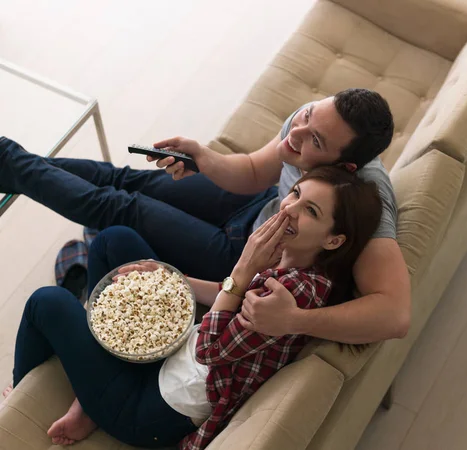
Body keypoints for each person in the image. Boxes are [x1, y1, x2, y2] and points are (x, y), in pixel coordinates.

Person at [6, 167, 382, 449]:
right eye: (295, 193)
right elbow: (228, 291)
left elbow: (209, 349)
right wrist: (175, 277)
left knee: (47, 302)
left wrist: (243, 266)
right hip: (173, 354)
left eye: (310, 210)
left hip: (151, 411)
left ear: (334, 239)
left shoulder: (293, 295)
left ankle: (18, 398)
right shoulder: (293, 257)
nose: (289, 208)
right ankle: (94, 389)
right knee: (114, 241)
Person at [0, 88, 410, 343]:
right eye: (305, 117)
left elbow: (395, 315)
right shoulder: (308, 123)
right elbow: (253, 171)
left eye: (314, 140)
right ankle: (9, 166)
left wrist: (295, 320)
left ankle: (6, 158)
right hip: (256, 207)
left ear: (346, 169)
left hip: (244, 259)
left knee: (119, 207)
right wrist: (203, 158)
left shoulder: (367, 198)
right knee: (127, 180)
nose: (295, 135)